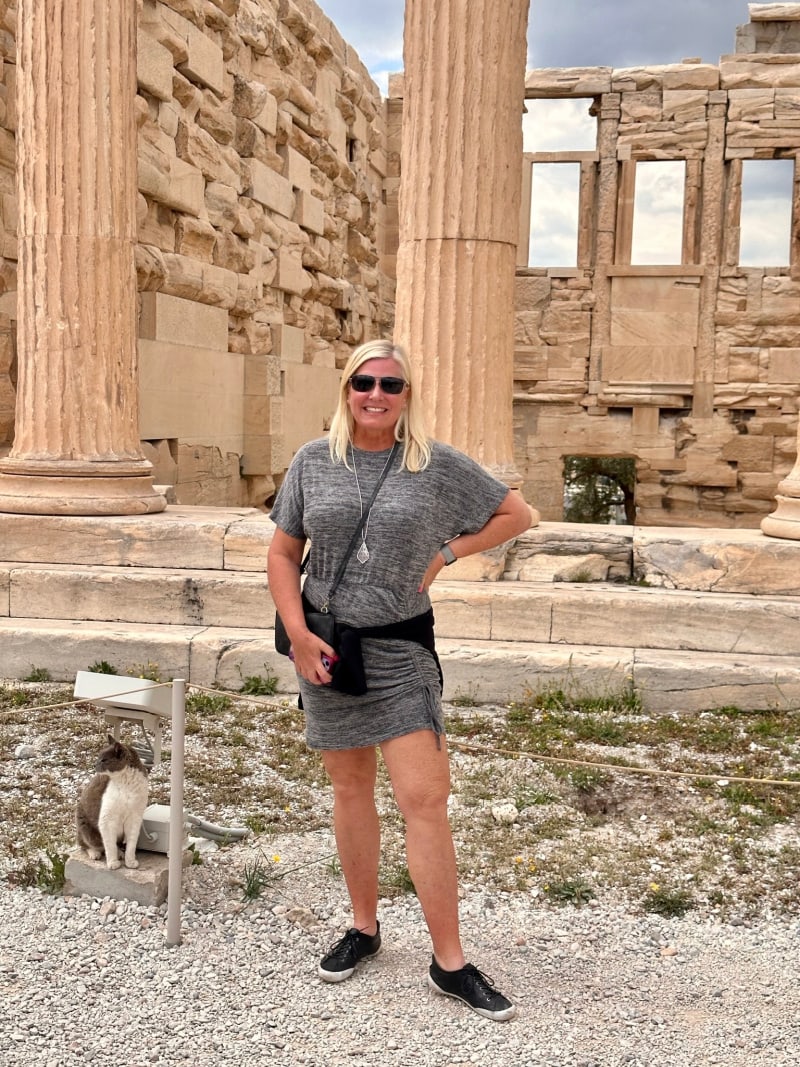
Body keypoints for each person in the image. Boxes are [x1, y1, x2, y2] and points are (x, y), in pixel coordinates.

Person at [267, 339, 532, 1021]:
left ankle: (450, 961)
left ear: (407, 394)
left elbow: (517, 513)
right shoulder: (311, 461)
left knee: (424, 797)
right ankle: (363, 927)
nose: (376, 394)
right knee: (351, 788)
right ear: (346, 388)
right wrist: (297, 633)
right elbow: (283, 549)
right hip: (328, 650)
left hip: (402, 653)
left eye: (390, 383)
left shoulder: (435, 465)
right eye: (364, 382)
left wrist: (448, 552)